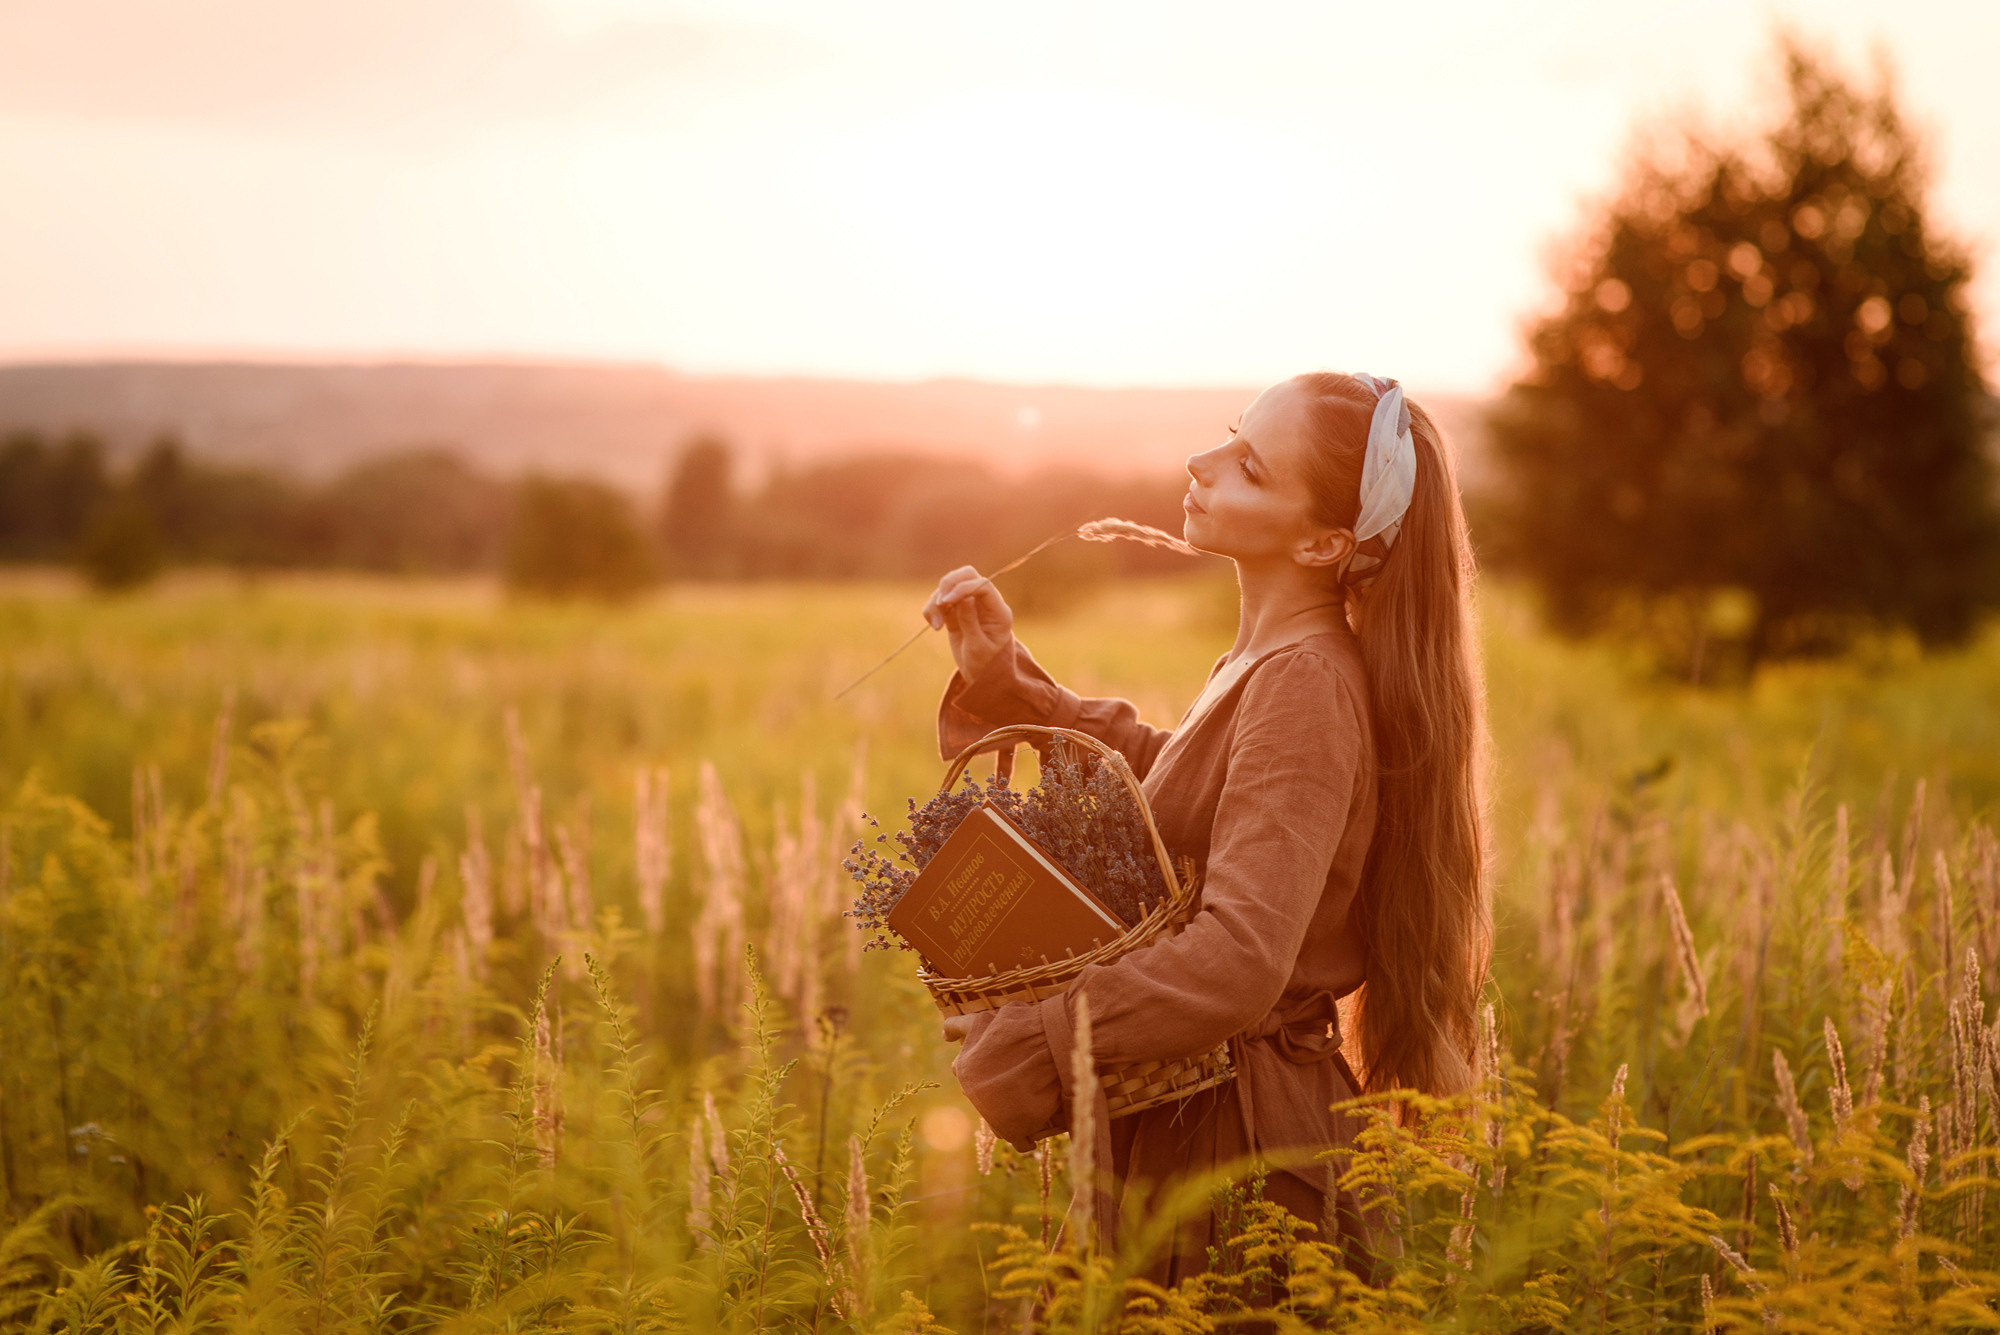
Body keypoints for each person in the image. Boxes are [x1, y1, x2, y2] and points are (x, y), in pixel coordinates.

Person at [919, 372, 1491, 1280]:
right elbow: (1179, 791)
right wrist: (1009, 683)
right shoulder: (1266, 659)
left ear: (1323, 540)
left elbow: (1240, 956)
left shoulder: (1306, 679)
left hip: (1242, 1154)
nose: (1202, 461)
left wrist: (1035, 1041)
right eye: (1231, 435)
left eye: (1250, 466)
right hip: (1197, 1121)